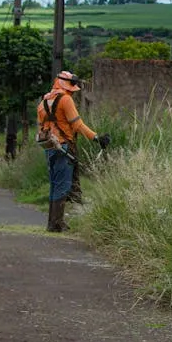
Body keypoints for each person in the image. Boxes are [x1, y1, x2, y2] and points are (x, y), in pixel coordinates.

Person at [36, 70, 110, 233]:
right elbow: (77, 125)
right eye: (70, 88)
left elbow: (41, 126)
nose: (71, 91)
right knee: (63, 184)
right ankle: (57, 224)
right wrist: (97, 138)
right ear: (65, 86)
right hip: (64, 146)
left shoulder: (43, 102)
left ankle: (52, 222)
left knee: (55, 184)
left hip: (49, 147)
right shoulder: (66, 100)